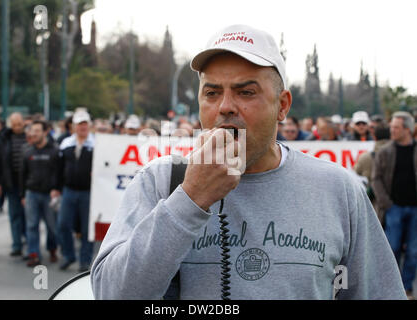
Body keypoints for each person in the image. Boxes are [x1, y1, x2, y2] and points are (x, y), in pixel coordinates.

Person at [91, 24, 406, 300]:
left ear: (282, 105)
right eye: (212, 93)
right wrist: (190, 200)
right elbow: (111, 293)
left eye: (246, 92)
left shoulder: (338, 189)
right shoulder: (159, 181)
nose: (226, 107)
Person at [371, 111, 417, 300]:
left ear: (407, 129)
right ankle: (391, 287)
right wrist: (386, 203)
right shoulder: (385, 152)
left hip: (415, 209)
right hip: (394, 208)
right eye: (391, 127)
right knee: (392, 249)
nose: (392, 130)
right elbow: (376, 179)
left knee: (414, 251)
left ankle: (406, 288)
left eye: (396, 127)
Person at [54, 110, 95, 272]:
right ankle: (69, 255)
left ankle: (85, 260)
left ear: (89, 125)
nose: (83, 127)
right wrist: (56, 188)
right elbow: (59, 168)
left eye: (85, 123)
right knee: (63, 224)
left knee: (86, 228)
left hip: (88, 192)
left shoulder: (96, 143)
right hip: (69, 190)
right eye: (80, 124)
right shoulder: (66, 144)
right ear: (73, 127)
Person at [20, 120, 59, 267]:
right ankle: (34, 254)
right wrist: (22, 194)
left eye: (37, 130)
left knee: (52, 226)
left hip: (49, 195)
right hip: (32, 194)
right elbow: (22, 175)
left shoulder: (54, 151)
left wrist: (57, 189)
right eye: (32, 131)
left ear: (45, 132)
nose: (34, 133)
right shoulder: (28, 152)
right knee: (32, 225)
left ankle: (52, 248)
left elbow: (59, 173)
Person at [0, 113, 27, 257]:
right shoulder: (4, 138)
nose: (17, 127)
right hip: (11, 182)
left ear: (23, 123)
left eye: (19, 124)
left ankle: (29, 242)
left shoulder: (29, 136)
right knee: (14, 215)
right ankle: (16, 245)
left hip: (27, 183)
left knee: (27, 216)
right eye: (14, 125)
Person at [354, 124, 390, 225]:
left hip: (373, 206)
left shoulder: (365, 157)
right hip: (395, 203)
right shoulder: (396, 155)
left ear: (374, 137)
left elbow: (356, 173)